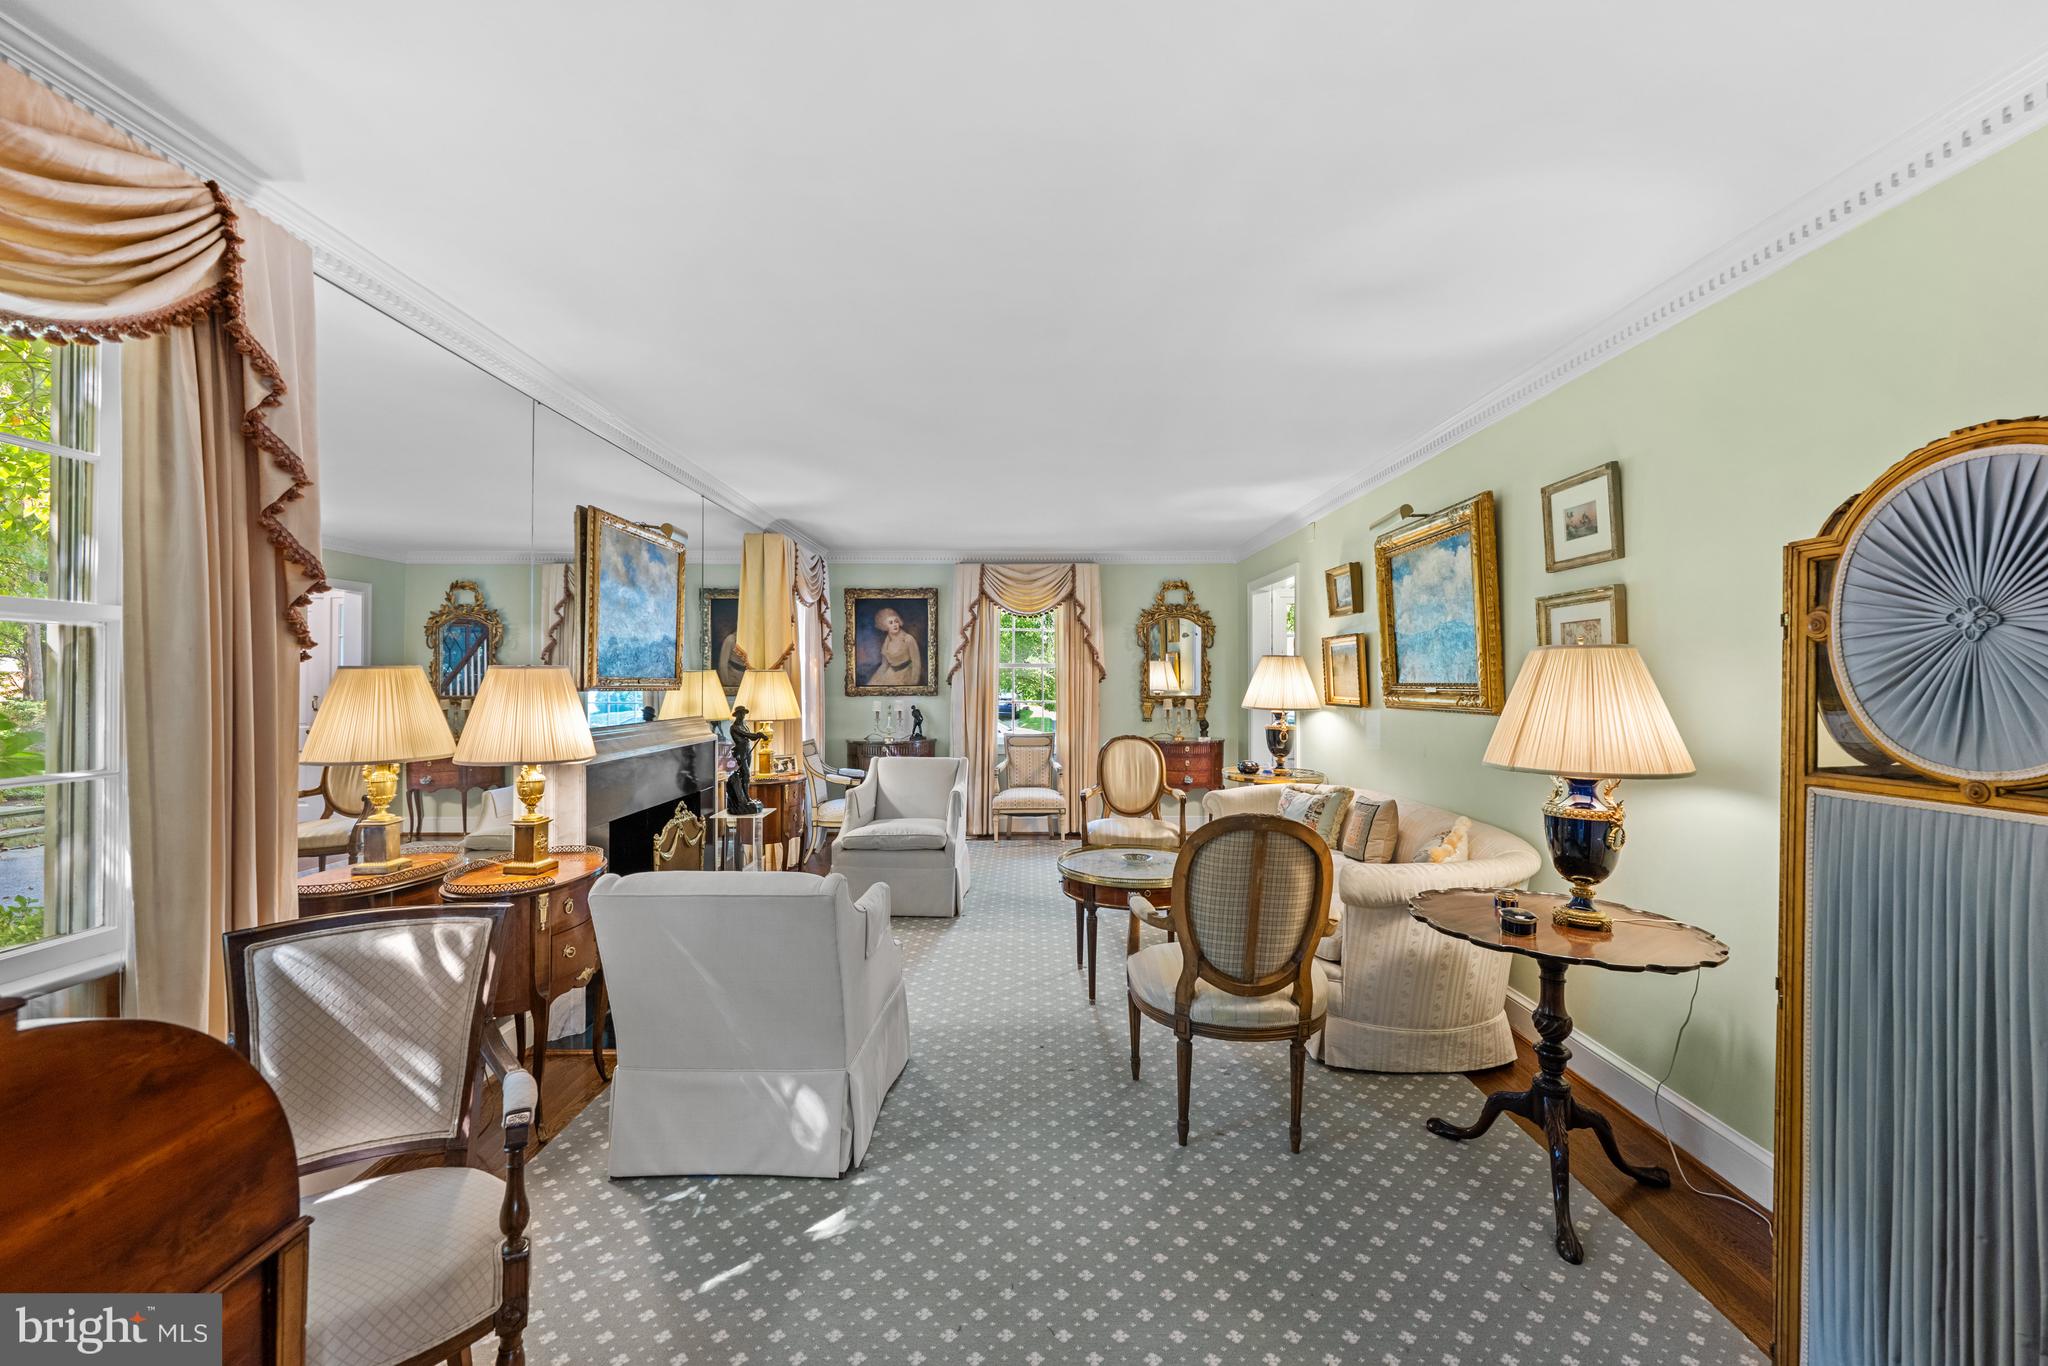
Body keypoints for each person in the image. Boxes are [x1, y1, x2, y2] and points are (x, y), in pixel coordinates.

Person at [864, 607, 923, 688]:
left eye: (896, 621)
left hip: (906, 675)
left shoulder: (908, 639)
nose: (895, 625)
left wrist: (913, 684)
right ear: (885, 626)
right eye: (891, 623)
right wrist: (874, 680)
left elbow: (917, 664)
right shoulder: (887, 642)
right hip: (891, 673)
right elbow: (884, 665)